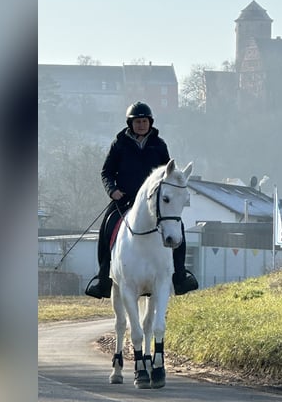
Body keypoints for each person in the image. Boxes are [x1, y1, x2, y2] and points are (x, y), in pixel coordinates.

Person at [84, 101, 198, 299]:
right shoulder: (119, 144)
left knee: (177, 229)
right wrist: (113, 191)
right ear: (131, 123)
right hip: (125, 199)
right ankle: (103, 279)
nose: (141, 125)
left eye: (144, 121)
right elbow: (107, 172)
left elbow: (168, 174)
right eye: (137, 122)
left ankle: (180, 276)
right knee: (107, 229)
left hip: (153, 202)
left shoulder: (159, 145)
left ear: (150, 122)